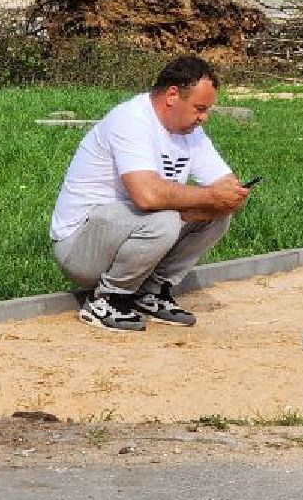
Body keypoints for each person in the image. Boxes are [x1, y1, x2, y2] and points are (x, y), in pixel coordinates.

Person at [50, 55, 251, 332]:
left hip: (129, 232)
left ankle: (151, 292)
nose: (203, 118)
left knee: (216, 214)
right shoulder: (131, 120)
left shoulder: (189, 131)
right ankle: (108, 299)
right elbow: (146, 195)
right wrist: (207, 197)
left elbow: (224, 184)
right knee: (166, 218)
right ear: (171, 96)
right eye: (199, 108)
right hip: (79, 248)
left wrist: (228, 197)